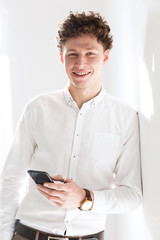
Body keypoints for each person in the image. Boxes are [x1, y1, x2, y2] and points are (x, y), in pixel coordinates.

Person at [0, 11, 142, 240]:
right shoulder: (37, 108)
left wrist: (85, 198)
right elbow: (11, 178)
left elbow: (132, 195)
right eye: (72, 54)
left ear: (105, 57)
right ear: (61, 56)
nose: (80, 63)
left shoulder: (126, 118)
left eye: (90, 54)